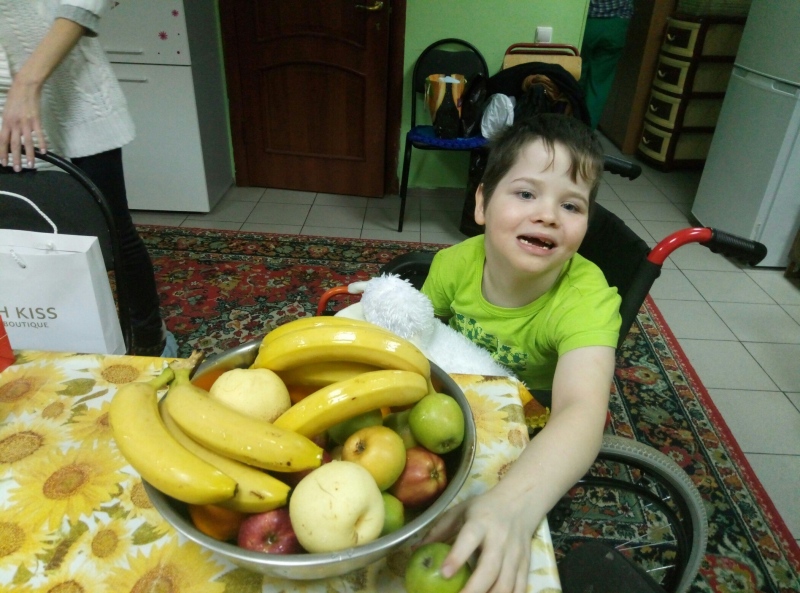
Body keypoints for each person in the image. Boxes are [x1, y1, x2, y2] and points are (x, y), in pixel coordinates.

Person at [420, 114, 622, 593]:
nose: (548, 215)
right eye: (527, 194)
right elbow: (419, 337)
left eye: (570, 205)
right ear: (482, 203)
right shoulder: (452, 265)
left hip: (530, 423)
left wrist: (512, 506)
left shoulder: (587, 299)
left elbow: (582, 409)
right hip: (455, 405)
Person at [0, 0, 176, 357]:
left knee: (112, 234)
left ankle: (149, 342)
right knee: (18, 236)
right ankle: (43, 341)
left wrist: (27, 84)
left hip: (73, 102)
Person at [579, 0, 634, 129]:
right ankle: (586, 131)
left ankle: (567, 126)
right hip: (617, 24)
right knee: (599, 84)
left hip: (589, 21)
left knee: (577, 75)